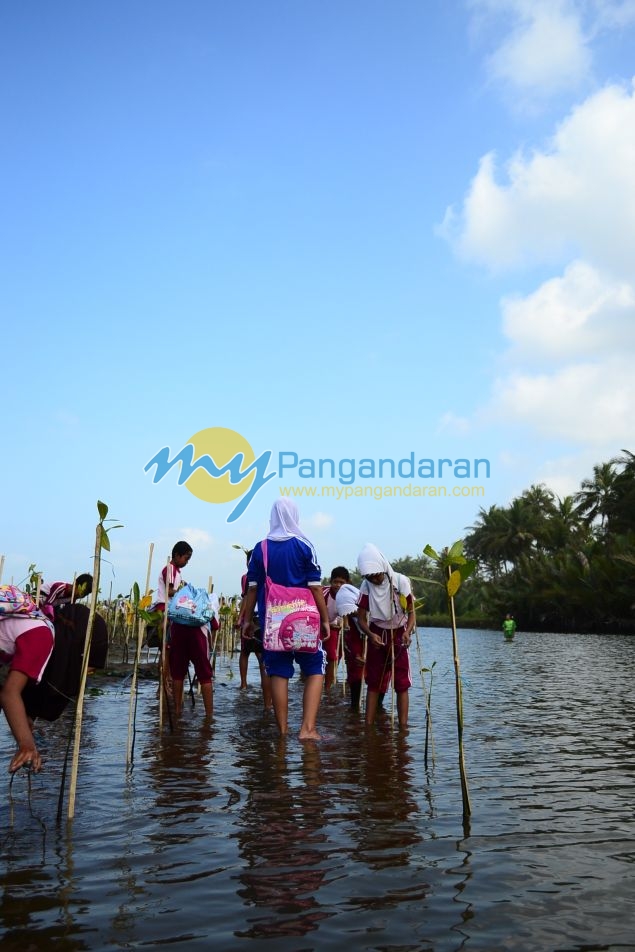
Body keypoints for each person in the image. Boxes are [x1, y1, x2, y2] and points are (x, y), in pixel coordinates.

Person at [241, 498, 329, 740]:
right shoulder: (304, 546)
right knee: (314, 668)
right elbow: (315, 587)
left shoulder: (261, 548)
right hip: (304, 621)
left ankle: (282, 731)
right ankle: (307, 729)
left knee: (278, 671)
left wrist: (247, 620)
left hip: (273, 621)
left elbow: (251, 588)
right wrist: (324, 619)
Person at [355, 544, 416, 729]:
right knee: (373, 681)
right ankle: (368, 727)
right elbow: (361, 618)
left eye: (377, 575)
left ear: (383, 567)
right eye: (369, 576)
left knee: (401, 683)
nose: (374, 579)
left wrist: (407, 632)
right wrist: (370, 634)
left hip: (398, 632)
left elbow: (412, 613)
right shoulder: (366, 585)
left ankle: (403, 728)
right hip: (377, 633)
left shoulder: (400, 581)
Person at [159, 541, 214, 718]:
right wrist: (184, 591)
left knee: (178, 672)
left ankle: (176, 712)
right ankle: (209, 717)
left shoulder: (177, 572)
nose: (186, 562)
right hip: (167, 612)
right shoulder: (170, 569)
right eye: (186, 558)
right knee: (203, 674)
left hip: (177, 623)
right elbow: (169, 592)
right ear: (176, 555)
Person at [0, 607, 55, 773]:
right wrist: (27, 745)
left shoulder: (35, 623)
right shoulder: (42, 636)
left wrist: (23, 722)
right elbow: (9, 693)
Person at [236, 549, 272, 710]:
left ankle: (244, 685)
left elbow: (247, 597)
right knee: (260, 658)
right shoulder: (270, 575)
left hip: (254, 620)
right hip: (264, 619)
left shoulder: (249, 577)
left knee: (248, 653)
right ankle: (267, 704)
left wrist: (243, 619)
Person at [334, 582, 367, 711]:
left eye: (354, 612)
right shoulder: (351, 623)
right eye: (351, 614)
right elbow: (351, 644)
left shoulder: (370, 610)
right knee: (356, 671)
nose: (354, 615)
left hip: (373, 637)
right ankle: (354, 707)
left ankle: (376, 706)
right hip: (357, 640)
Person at [322, 566, 349, 691]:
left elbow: (347, 615)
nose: (338, 585)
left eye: (341, 583)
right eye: (335, 582)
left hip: (334, 628)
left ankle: (327, 687)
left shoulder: (348, 596)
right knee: (317, 656)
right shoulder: (323, 593)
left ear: (346, 583)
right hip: (319, 626)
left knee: (333, 657)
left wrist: (345, 625)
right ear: (331, 581)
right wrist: (326, 623)